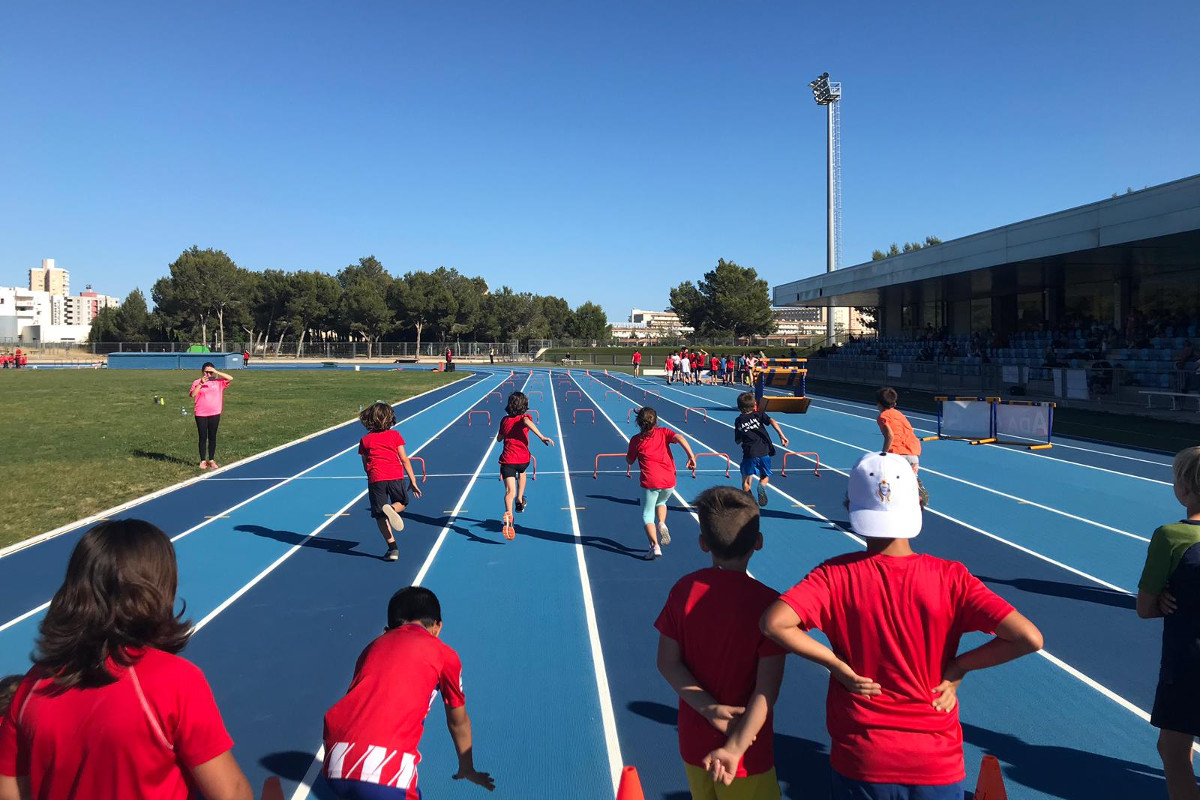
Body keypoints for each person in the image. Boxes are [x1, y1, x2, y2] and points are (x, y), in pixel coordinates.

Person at [762, 452, 1043, 800]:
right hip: (936, 761)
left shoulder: (833, 575)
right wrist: (958, 667)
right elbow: (1028, 638)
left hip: (862, 757)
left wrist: (837, 667)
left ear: (852, 508)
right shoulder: (952, 577)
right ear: (918, 509)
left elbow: (775, 623)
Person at [0, 520, 254, 800]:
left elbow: (10, 790)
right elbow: (231, 792)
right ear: (159, 588)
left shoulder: (31, 686)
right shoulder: (176, 681)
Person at [656, 487, 785, 800]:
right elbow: (766, 690)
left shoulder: (683, 590)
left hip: (694, 743)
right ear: (759, 542)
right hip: (744, 754)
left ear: (703, 543)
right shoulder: (770, 605)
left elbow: (667, 662)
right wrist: (736, 743)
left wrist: (709, 709)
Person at [323, 587, 494, 799]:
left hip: (334, 762)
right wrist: (467, 767)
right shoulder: (444, 655)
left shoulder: (371, 648)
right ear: (437, 627)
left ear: (387, 629)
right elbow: (458, 722)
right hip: (384, 771)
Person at [1137, 446, 1200, 800]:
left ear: (1185, 490)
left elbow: (1145, 608)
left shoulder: (1171, 537)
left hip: (1188, 663)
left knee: (1174, 752)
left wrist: (1163, 601)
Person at [626, 407, 697, 560]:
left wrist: (632, 455)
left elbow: (630, 460)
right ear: (656, 421)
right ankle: (662, 524)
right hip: (669, 481)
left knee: (647, 515)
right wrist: (691, 456)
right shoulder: (664, 432)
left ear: (639, 423)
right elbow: (681, 438)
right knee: (662, 501)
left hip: (651, 482)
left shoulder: (636, 440)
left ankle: (654, 546)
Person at [358, 402, 423, 561]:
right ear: (390, 419)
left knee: (380, 515)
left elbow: (365, 465)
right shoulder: (395, 436)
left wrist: (372, 475)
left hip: (376, 479)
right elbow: (405, 460)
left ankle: (392, 549)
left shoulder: (365, 440)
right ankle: (393, 509)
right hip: (395, 475)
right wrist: (413, 481)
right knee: (402, 502)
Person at [496, 392, 555, 540]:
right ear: (524, 406)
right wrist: (541, 436)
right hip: (522, 459)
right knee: (522, 473)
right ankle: (520, 500)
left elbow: (499, 438)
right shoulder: (524, 418)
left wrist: (501, 435)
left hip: (508, 460)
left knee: (510, 491)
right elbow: (527, 423)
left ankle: (509, 515)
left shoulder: (504, 420)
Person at [734, 392, 789, 508]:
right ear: (754, 405)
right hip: (764, 452)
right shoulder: (759, 415)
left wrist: (742, 436)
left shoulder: (738, 421)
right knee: (765, 476)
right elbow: (773, 421)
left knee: (746, 483)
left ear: (739, 408)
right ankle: (762, 486)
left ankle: (750, 504)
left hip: (749, 454)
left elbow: (737, 440)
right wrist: (781, 435)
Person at [876, 387, 928, 507]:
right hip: (913, 455)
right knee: (908, 485)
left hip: (897, 456)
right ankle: (916, 493)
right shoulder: (900, 415)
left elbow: (890, 435)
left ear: (879, 404)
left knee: (889, 485)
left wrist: (884, 453)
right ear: (894, 404)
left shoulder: (883, 416)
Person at [190, 362, 234, 470]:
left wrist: (216, 372)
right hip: (201, 413)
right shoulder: (197, 382)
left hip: (215, 412)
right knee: (202, 437)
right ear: (202, 372)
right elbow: (192, 395)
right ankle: (202, 460)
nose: (208, 374)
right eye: (206, 372)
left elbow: (230, 378)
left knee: (212, 437)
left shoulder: (219, 382)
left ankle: (211, 459)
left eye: (210, 372)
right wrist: (200, 383)